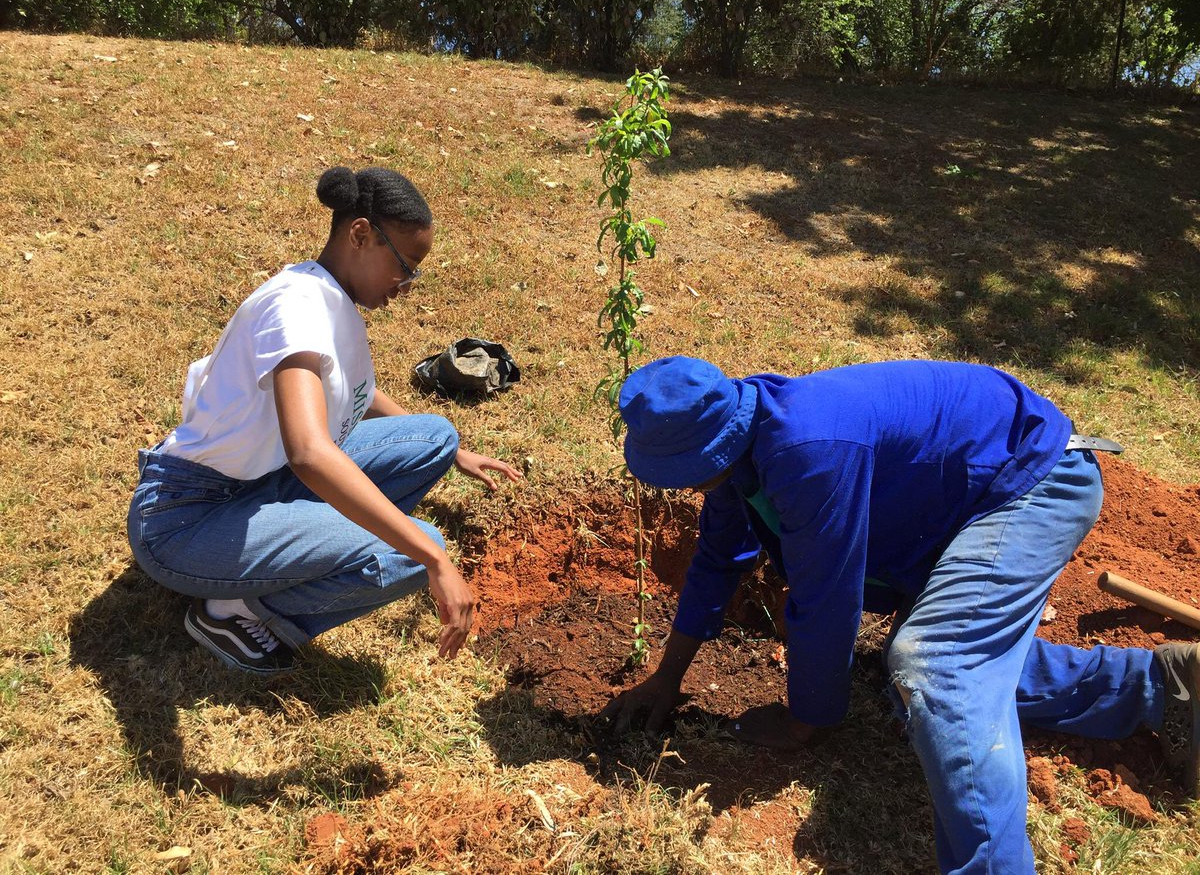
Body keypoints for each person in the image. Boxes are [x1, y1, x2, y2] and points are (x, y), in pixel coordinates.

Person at [601, 355, 1200, 874]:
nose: (682, 486)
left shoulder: (807, 450)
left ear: (711, 447)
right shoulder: (741, 451)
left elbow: (826, 599)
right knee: (951, 674)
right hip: (959, 500)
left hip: (1033, 483)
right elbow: (718, 558)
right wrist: (667, 677)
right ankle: (1161, 688)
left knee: (935, 665)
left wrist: (806, 719)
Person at [127, 166, 520, 676]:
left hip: (254, 485)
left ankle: (285, 562)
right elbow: (310, 453)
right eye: (405, 266)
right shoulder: (296, 309)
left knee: (436, 437)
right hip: (185, 522)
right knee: (412, 552)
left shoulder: (326, 294)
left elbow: (355, 389)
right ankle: (239, 612)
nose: (407, 285)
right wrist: (433, 559)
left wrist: (455, 453)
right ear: (360, 234)